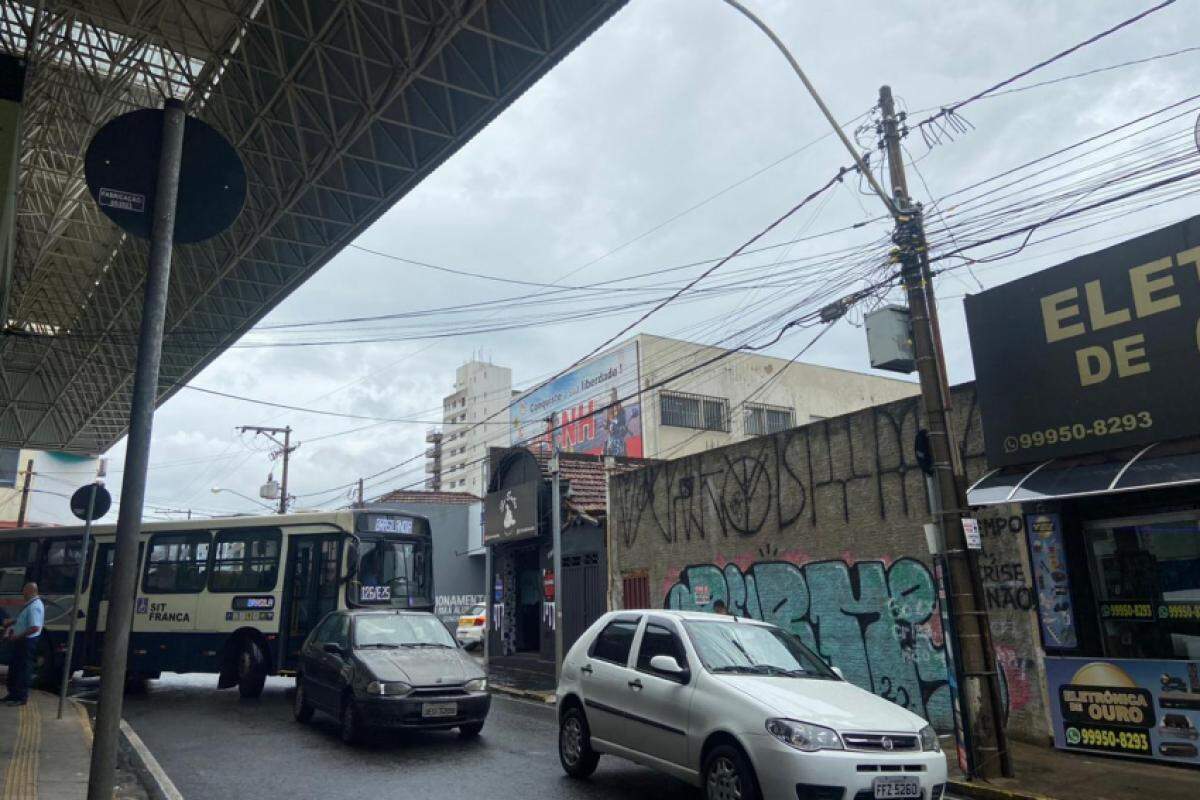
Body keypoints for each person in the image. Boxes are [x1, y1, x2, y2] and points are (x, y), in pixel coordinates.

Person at [2, 582, 44, 706]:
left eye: (24, 591)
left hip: (27, 642)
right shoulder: (30, 605)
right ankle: (13, 694)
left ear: (31, 591)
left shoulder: (35, 606)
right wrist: (13, 623)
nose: (23, 593)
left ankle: (20, 697)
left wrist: (17, 636)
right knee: (15, 668)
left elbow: (34, 627)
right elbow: (24, 621)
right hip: (21, 641)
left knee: (22, 669)